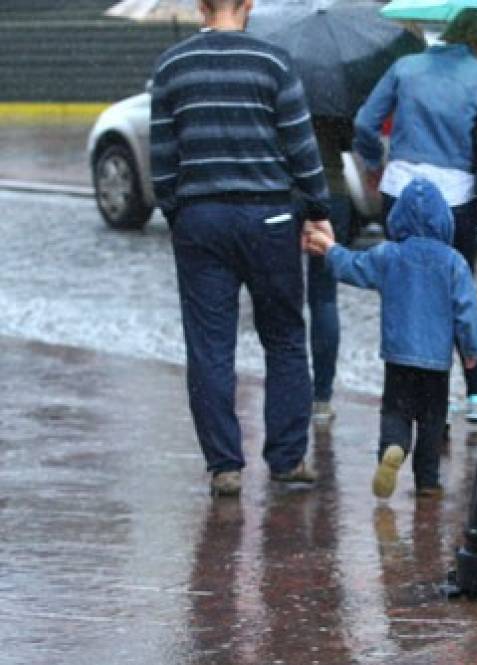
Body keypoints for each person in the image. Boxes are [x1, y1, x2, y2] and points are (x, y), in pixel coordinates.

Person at [150, 0, 333, 498]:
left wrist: (178, 210)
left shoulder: (172, 66)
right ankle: (288, 457)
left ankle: (225, 465)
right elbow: (301, 145)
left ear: (199, 6)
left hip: (201, 218)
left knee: (210, 345)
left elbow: (163, 158)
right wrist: (317, 207)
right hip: (270, 215)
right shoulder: (273, 63)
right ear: (248, 5)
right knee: (285, 337)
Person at [353, 8, 477, 425]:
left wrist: (374, 161)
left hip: (400, 188)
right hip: (455, 195)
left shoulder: (405, 67)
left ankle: (408, 398)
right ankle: (475, 394)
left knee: (405, 289)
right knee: (457, 290)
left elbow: (365, 121)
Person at [304, 179, 477, 499]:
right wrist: (473, 352)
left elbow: (353, 267)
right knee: (432, 418)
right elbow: (467, 312)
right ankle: (428, 481)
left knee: (396, 411)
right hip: (436, 361)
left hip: (398, 355)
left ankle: (393, 448)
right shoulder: (453, 262)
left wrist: (330, 249)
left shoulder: (389, 255)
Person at [305, 116, 356, 426]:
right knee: (324, 299)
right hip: (330, 191)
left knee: (281, 301)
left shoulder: (279, 78)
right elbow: (352, 140)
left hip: (282, 194)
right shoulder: (333, 92)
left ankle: (291, 392)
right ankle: (321, 397)